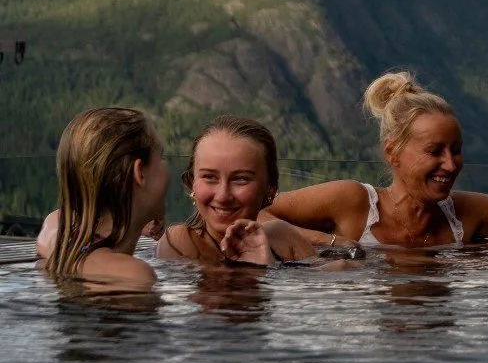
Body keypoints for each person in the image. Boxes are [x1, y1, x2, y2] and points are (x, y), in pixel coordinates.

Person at [266, 71, 488, 248]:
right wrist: (323, 240)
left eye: (455, 150)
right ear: (392, 153)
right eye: (435, 151)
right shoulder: (353, 202)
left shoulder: (464, 212)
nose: (451, 164)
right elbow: (250, 212)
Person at [157, 115, 324, 266]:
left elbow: (331, 277)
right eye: (209, 177)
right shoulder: (180, 241)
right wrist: (262, 269)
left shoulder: (283, 236)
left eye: (241, 179)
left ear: (270, 189)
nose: (223, 196)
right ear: (193, 183)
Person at [43, 106, 171, 285]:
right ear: (139, 173)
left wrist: (132, 220)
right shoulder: (133, 275)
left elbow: (53, 222)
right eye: (162, 157)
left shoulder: (62, 247)